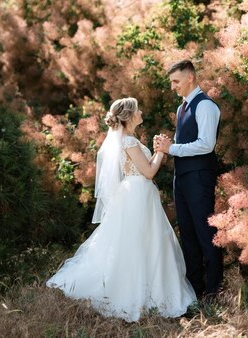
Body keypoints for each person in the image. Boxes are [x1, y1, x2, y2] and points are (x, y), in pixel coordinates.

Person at [46, 98, 196, 322]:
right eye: (138, 109)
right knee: (140, 243)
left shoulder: (129, 140)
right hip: (137, 194)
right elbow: (149, 172)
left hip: (139, 194)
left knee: (143, 242)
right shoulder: (129, 142)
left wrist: (157, 150)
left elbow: (146, 169)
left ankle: (149, 292)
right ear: (129, 116)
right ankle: (140, 294)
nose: (141, 111)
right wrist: (162, 152)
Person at [154, 60, 223, 302]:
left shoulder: (205, 106)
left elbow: (206, 145)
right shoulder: (181, 108)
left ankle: (214, 293)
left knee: (205, 233)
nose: (173, 86)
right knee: (188, 235)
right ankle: (194, 291)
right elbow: (180, 143)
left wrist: (172, 148)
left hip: (199, 178)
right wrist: (166, 146)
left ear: (190, 77)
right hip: (181, 178)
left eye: (176, 81)